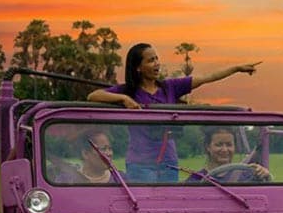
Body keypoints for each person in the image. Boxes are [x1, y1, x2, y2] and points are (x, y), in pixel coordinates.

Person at [87, 43, 261, 183]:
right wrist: (124, 99)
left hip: (169, 163)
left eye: (157, 59)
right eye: (150, 60)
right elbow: (93, 96)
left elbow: (207, 77)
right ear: (138, 67)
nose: (156, 64)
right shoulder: (128, 90)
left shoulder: (169, 87)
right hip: (140, 164)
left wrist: (237, 68)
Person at [187, 126, 271, 183]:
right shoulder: (196, 179)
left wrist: (264, 174)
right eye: (219, 145)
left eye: (229, 145)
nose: (225, 149)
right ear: (208, 147)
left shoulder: (247, 175)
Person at [48, 129, 121, 184]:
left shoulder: (121, 179)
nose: (109, 153)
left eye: (110, 148)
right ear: (85, 154)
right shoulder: (66, 180)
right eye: (103, 149)